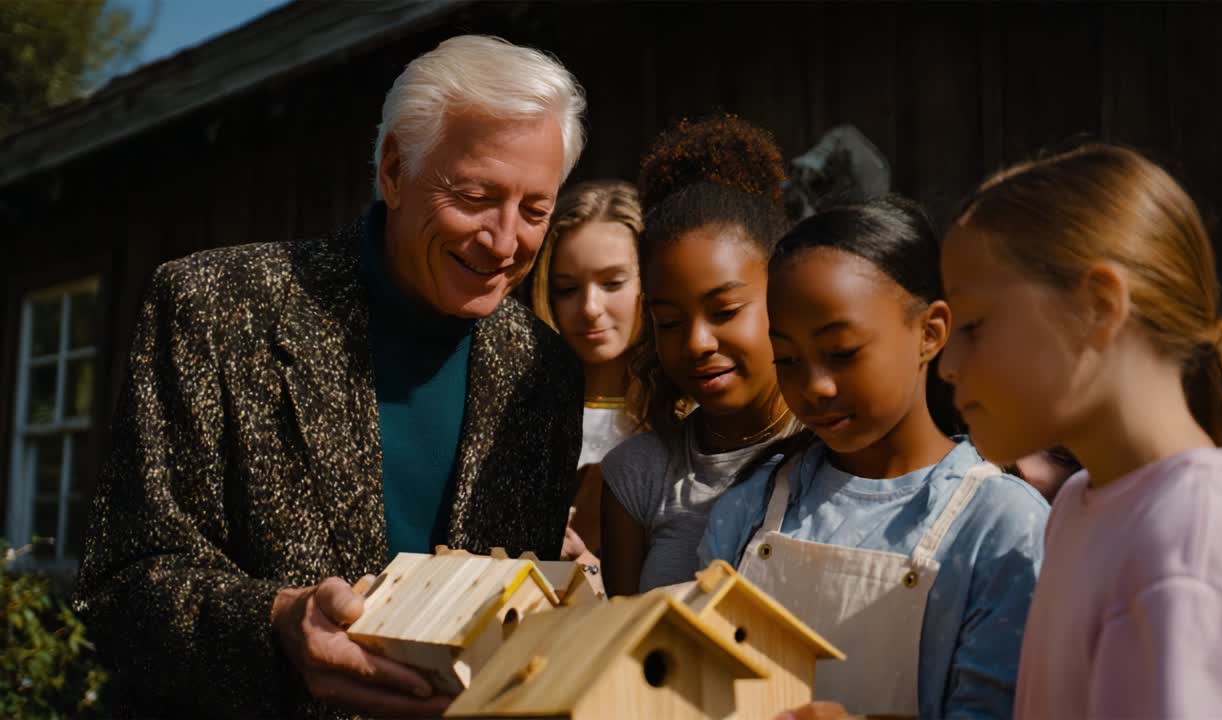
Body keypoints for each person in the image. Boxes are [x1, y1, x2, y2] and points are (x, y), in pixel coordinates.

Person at [72, 35, 588, 719]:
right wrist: (276, 624)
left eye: (535, 210)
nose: (504, 241)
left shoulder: (544, 373)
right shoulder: (211, 306)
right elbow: (121, 587)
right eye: (474, 196)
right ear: (395, 170)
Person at [939, 143, 1222, 718]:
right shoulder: (1079, 503)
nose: (947, 363)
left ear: (1098, 307)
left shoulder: (1191, 545)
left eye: (972, 324)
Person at [702, 197, 1048, 718]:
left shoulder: (1000, 528)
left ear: (930, 333)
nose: (814, 386)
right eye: (789, 360)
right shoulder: (751, 506)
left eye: (842, 353)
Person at [600, 115, 800, 595]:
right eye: (669, 321)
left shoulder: (837, 451)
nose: (697, 342)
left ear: (782, 296)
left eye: (725, 311)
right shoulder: (639, 476)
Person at [529, 180, 647, 561]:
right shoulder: (520, 411)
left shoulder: (686, 418)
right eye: (567, 289)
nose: (590, 308)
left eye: (613, 283)